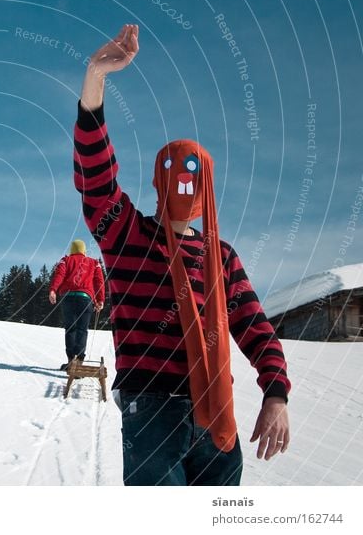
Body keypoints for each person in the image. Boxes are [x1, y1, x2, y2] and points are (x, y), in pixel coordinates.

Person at [73, 24, 290, 486]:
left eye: (195, 171)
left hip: (217, 418)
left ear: (207, 186)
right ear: (157, 180)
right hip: (152, 412)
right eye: (173, 169)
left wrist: (276, 394)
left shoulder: (221, 259)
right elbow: (96, 178)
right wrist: (96, 77)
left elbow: (256, 329)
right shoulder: (127, 235)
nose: (183, 182)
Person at [48, 239, 105, 370]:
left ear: (72, 250)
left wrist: (53, 290)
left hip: (68, 298)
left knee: (70, 329)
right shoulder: (94, 263)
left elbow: (60, 274)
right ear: (84, 250)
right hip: (85, 299)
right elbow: (99, 281)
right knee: (82, 330)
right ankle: (78, 363)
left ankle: (70, 361)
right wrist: (100, 300)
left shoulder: (66, 260)